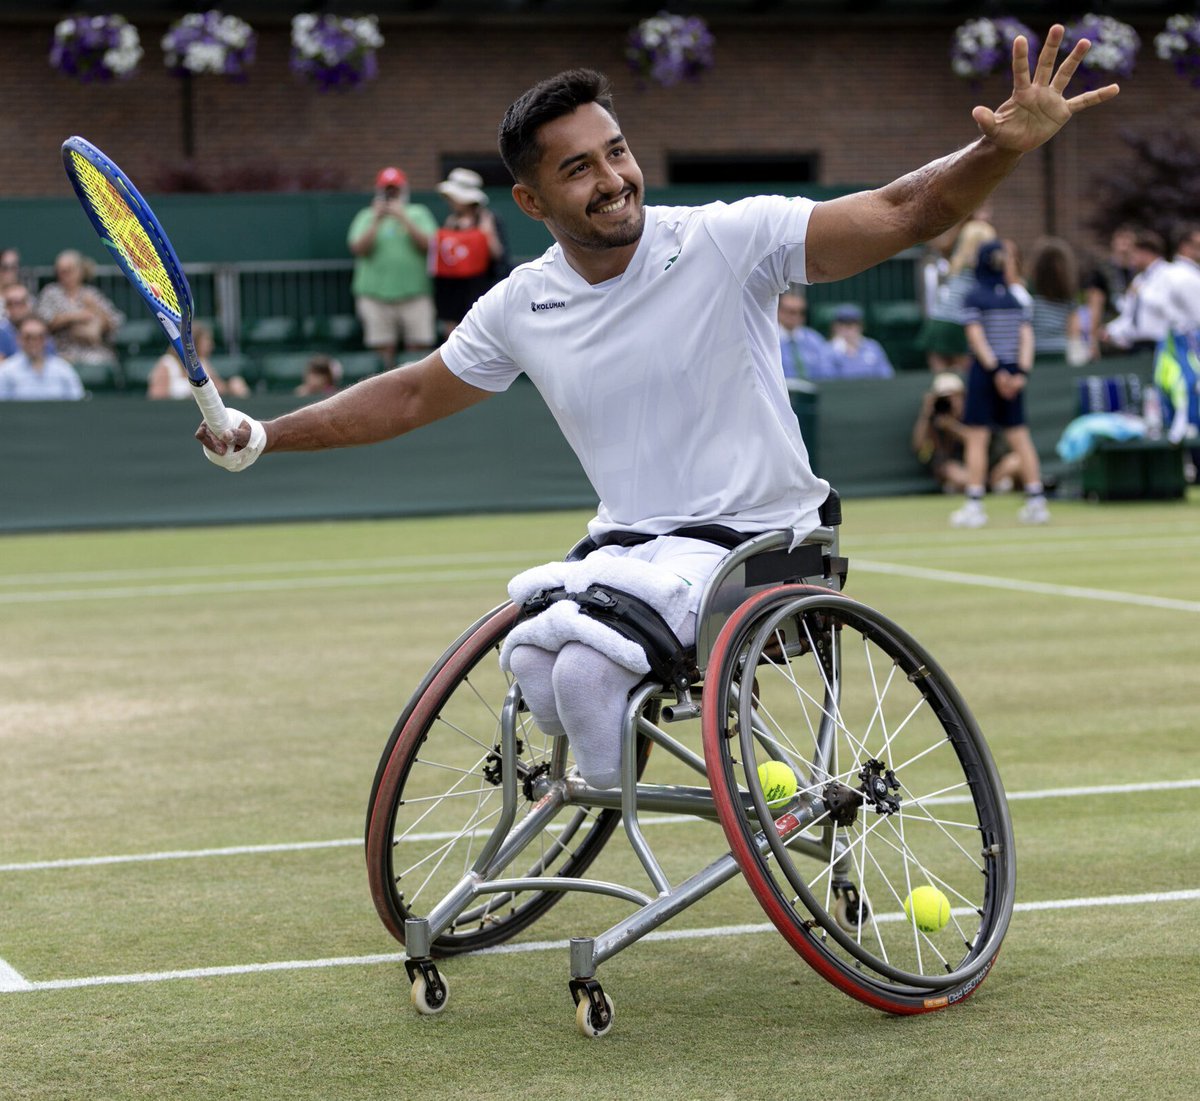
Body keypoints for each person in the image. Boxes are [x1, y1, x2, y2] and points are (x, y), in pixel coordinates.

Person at [197, 27, 1117, 788]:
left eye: (617, 152)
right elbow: (407, 393)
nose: (613, 178)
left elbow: (903, 210)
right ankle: (613, 790)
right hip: (632, 551)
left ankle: (614, 795)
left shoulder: (728, 239)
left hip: (766, 546)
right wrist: (265, 433)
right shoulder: (520, 303)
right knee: (533, 662)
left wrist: (1001, 147)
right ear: (530, 199)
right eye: (578, 169)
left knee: (585, 672)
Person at [950, 240, 1049, 528]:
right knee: (1019, 436)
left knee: (977, 437)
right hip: (1012, 372)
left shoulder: (973, 297)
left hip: (986, 373)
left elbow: (976, 336)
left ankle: (974, 505)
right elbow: (1026, 339)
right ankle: (1036, 501)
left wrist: (995, 371)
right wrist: (1020, 373)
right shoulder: (1016, 299)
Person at [348, 167, 439, 369]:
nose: (391, 194)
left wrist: (402, 217)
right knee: (382, 348)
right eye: (387, 190)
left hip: (415, 293)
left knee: (419, 347)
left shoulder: (418, 213)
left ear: (403, 190)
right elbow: (358, 249)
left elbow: (429, 245)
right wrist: (376, 220)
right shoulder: (367, 215)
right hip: (375, 294)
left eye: (395, 190)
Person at [912, 371, 1020, 493]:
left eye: (955, 396)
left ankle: (991, 484)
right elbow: (919, 447)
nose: (952, 402)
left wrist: (952, 427)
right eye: (946, 398)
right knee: (950, 471)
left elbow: (978, 442)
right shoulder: (936, 419)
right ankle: (978, 486)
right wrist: (926, 414)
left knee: (1015, 461)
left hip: (994, 466)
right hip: (962, 471)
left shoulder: (977, 413)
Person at [432, 168, 508, 337]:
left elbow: (498, 255)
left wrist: (486, 234)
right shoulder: (451, 220)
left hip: (478, 287)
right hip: (452, 288)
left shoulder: (488, 219)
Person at [916, 219, 997, 374]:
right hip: (957, 324)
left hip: (937, 322)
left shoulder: (956, 264)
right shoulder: (979, 271)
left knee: (941, 379)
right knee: (963, 378)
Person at [36, 249, 124, 370]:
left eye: (69, 270)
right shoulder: (51, 292)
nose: (65, 275)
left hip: (95, 352)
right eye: (61, 271)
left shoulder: (91, 293)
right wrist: (76, 316)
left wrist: (97, 312)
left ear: (80, 271)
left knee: (105, 364)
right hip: (62, 352)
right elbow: (42, 322)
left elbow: (115, 321)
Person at [146, 321, 249, 400]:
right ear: (193, 342)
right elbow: (156, 397)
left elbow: (219, 389)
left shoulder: (203, 363)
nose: (211, 345)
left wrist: (233, 386)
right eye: (207, 340)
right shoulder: (168, 364)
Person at [1026, 236, 1083, 362]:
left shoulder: (1029, 291)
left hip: (1036, 350)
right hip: (1058, 350)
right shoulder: (1068, 294)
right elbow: (1074, 329)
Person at [0, 316, 85, 400]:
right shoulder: (6, 371)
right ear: (19, 339)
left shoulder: (63, 369)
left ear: (47, 339)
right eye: (28, 337)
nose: (33, 342)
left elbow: (78, 402)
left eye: (39, 337)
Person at [1084, 225, 1136, 360]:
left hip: (1136, 339)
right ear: (1113, 243)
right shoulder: (1102, 272)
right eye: (1121, 239)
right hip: (1109, 338)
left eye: (1128, 240)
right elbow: (1094, 307)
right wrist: (1092, 341)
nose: (1125, 245)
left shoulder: (1139, 272)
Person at [815, 303, 894, 379]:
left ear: (861, 326)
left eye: (852, 325)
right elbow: (826, 377)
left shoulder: (872, 346)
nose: (848, 329)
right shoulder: (827, 349)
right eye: (843, 325)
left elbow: (887, 374)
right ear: (835, 327)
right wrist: (842, 352)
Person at [777, 289, 830, 379]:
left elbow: (826, 369)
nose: (796, 316)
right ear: (779, 311)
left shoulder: (815, 339)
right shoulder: (770, 339)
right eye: (791, 311)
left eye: (801, 312)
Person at [0, 285, 56, 360]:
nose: (15, 308)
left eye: (19, 303)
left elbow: (51, 359)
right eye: (10, 304)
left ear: (28, 304)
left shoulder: (39, 328)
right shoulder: (2, 331)